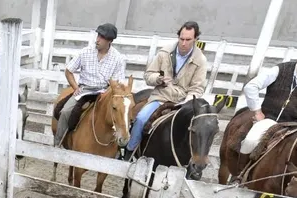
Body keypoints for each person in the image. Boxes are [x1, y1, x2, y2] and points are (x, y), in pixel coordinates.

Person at [124, 20, 207, 159]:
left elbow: (197, 88)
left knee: (198, 130)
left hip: (182, 101)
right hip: (160, 97)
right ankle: (129, 151)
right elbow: (148, 75)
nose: (184, 43)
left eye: (188, 40)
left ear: (196, 39)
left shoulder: (201, 61)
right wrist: (158, 79)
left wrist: (186, 103)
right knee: (140, 119)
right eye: (181, 39)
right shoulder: (164, 52)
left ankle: (192, 163)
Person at [239, 40, 297, 155]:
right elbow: (251, 87)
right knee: (250, 142)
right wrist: (257, 111)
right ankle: (241, 171)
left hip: (295, 124)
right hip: (269, 119)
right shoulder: (280, 70)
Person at [54, 23, 126, 148]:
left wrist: (108, 92)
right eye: (98, 35)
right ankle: (58, 144)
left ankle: (119, 148)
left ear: (110, 40)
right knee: (65, 111)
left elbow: (118, 83)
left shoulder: (118, 58)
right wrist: (76, 88)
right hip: (84, 90)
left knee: (121, 114)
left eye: (102, 37)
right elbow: (68, 71)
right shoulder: (85, 52)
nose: (97, 39)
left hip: (105, 92)